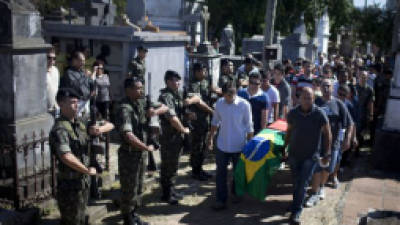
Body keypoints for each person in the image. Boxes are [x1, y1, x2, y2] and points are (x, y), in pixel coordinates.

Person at [49, 88, 114, 225]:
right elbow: (66, 156)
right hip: (69, 185)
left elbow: (110, 125)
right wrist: (86, 170)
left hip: (83, 183)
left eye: (77, 102)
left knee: (82, 218)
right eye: (72, 102)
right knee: (71, 220)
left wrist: (98, 130)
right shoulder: (60, 129)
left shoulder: (80, 123)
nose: (76, 105)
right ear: (61, 104)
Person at [115, 77, 169, 225]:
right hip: (129, 153)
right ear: (128, 90)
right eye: (137, 88)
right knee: (129, 188)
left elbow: (165, 107)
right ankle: (128, 218)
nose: (141, 90)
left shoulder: (141, 101)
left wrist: (153, 112)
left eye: (141, 87)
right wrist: (146, 148)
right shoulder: (124, 108)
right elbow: (128, 135)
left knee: (139, 186)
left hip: (140, 153)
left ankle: (134, 214)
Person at [284, 87, 331, 225]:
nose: (306, 100)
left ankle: (296, 212)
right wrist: (284, 148)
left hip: (311, 156)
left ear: (313, 99)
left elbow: (328, 134)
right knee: (296, 182)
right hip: (294, 154)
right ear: (299, 98)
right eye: (304, 97)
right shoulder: (292, 113)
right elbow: (289, 131)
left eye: (309, 98)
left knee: (303, 184)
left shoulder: (319, 114)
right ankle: (295, 204)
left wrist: (327, 153)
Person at [306, 78, 354, 208]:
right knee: (316, 168)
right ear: (320, 88)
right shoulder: (315, 102)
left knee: (328, 168)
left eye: (329, 86)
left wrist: (348, 138)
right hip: (317, 143)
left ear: (333, 88)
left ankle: (321, 186)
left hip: (333, 144)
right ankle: (314, 193)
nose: (326, 88)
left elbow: (350, 123)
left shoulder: (339, 104)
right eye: (324, 86)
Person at [207, 82, 254, 210]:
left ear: (235, 93)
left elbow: (249, 125)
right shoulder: (219, 104)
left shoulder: (244, 105)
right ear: (223, 94)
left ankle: (236, 193)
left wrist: (250, 144)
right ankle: (221, 199)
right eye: (227, 95)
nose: (229, 98)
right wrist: (211, 138)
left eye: (232, 95)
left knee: (237, 173)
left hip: (239, 145)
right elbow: (215, 121)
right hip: (222, 144)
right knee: (221, 173)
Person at [158, 70, 192, 205]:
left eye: (178, 80)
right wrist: (183, 130)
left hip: (176, 136)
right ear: (167, 82)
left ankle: (171, 190)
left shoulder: (176, 95)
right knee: (168, 164)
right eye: (173, 80)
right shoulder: (166, 97)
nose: (177, 83)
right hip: (169, 137)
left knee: (174, 164)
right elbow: (172, 118)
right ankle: (166, 194)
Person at [187, 63, 215, 181]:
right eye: (203, 70)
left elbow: (212, 91)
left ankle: (200, 169)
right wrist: (211, 110)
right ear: (197, 72)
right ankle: (195, 171)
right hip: (197, 120)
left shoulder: (205, 82)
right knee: (196, 146)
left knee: (203, 145)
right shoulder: (193, 85)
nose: (205, 73)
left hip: (205, 120)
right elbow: (198, 102)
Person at [59, 51, 94, 118]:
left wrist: (93, 89)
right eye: (81, 61)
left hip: (86, 101)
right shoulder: (69, 73)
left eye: (84, 61)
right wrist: (85, 76)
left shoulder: (83, 71)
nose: (83, 63)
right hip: (77, 102)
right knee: (78, 120)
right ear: (75, 61)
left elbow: (90, 82)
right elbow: (75, 85)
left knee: (86, 120)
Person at [355, 70, 374, 153]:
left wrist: (371, 114)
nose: (363, 78)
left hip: (363, 112)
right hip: (353, 111)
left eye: (365, 77)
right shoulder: (354, 87)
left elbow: (371, 102)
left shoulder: (370, 89)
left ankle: (357, 150)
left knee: (361, 132)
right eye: (362, 76)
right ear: (359, 77)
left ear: (367, 78)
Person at [46, 47, 60, 116]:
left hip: (54, 108)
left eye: (54, 58)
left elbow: (56, 89)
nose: (51, 60)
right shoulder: (39, 71)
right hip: (43, 110)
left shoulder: (56, 70)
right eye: (49, 57)